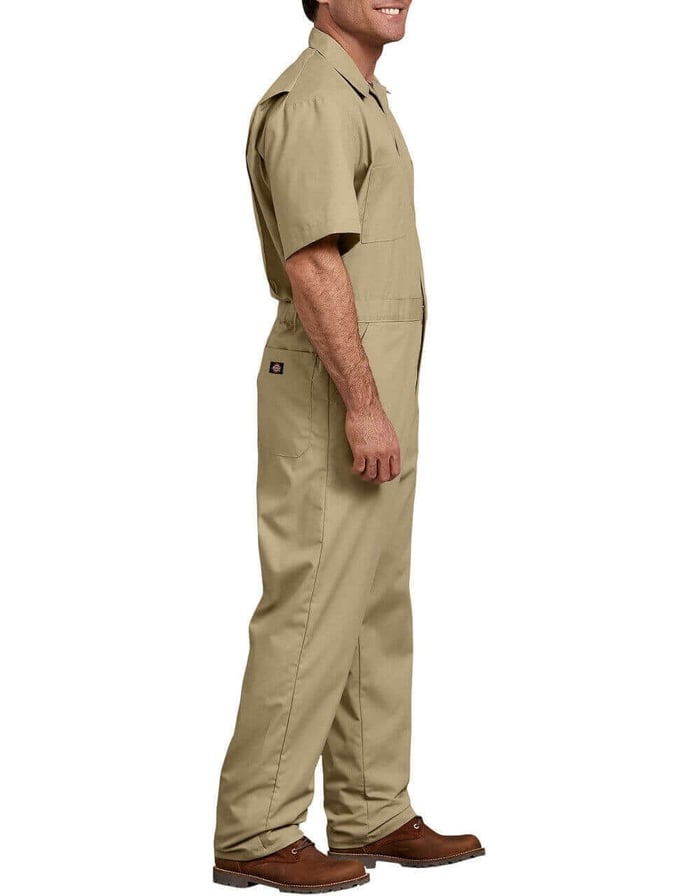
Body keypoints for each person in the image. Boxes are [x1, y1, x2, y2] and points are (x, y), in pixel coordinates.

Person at [213, 2, 484, 891]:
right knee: (313, 600)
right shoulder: (316, 101)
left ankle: (370, 807)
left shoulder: (362, 97)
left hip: (374, 377)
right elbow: (313, 261)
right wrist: (364, 404)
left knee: (373, 598)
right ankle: (255, 827)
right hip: (335, 385)